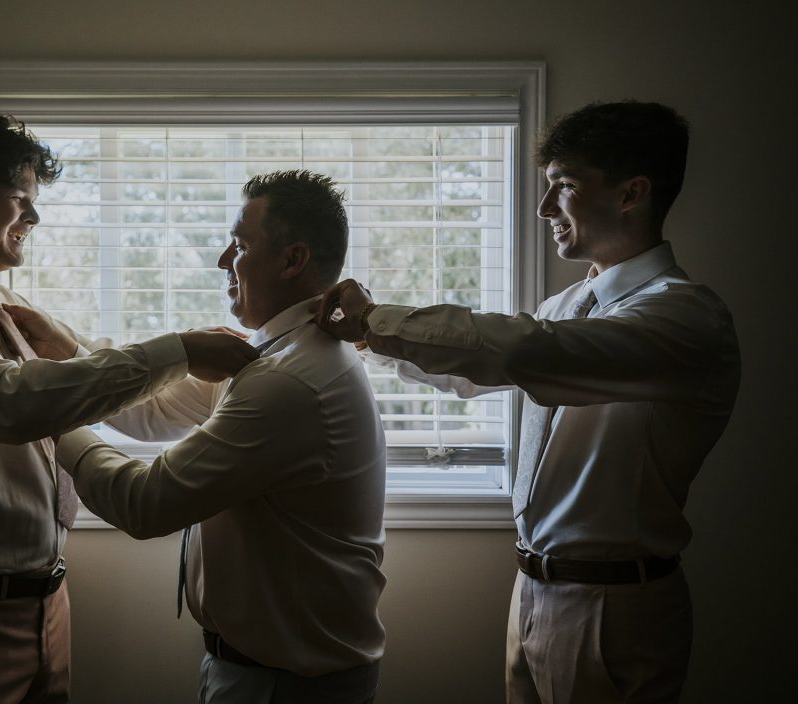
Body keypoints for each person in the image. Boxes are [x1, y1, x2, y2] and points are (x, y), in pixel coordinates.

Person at [316, 102, 741, 703]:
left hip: (615, 610)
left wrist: (378, 319)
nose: (545, 208)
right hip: (531, 592)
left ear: (632, 193)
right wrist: (365, 335)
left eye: (564, 187)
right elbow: (476, 372)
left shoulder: (687, 317)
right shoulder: (567, 305)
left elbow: (529, 353)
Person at [0, 109, 257, 703]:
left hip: (45, 605)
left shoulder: (9, 311)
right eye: (20, 197)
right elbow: (10, 406)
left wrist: (236, 372)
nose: (35, 216)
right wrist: (175, 350)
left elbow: (127, 409)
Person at [24, 170, 386, 703]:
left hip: (285, 686)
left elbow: (145, 503)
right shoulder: (273, 355)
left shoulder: (290, 382)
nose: (222, 261)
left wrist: (50, 422)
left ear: (292, 261)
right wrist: (67, 351)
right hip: (266, 670)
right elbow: (153, 409)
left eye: (239, 245)